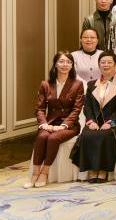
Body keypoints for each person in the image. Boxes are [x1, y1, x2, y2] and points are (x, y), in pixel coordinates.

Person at [26, 52, 85, 189]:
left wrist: (64, 126)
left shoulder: (77, 84)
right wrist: (44, 124)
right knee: (42, 137)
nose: (65, 65)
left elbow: (77, 109)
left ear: (72, 65)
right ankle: (35, 173)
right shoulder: (46, 84)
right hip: (50, 123)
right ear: (55, 64)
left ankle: (44, 173)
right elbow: (40, 108)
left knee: (53, 139)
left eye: (68, 62)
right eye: (61, 61)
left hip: (70, 125)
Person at [70, 51, 116, 183]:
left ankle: (103, 170)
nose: (106, 65)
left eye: (109, 62)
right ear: (99, 65)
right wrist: (91, 121)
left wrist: (111, 122)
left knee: (105, 135)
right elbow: (87, 106)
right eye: (103, 62)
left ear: (115, 65)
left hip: (114, 122)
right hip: (95, 122)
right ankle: (92, 169)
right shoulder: (91, 84)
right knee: (88, 135)